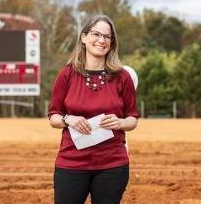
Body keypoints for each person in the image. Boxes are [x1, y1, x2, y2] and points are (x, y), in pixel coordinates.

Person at [48, 14, 139, 204]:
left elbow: (133, 119)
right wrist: (68, 119)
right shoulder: (67, 74)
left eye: (107, 36)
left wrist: (121, 122)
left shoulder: (122, 77)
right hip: (71, 163)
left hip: (112, 165)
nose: (101, 40)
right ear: (83, 37)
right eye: (96, 34)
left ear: (112, 42)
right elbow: (53, 116)